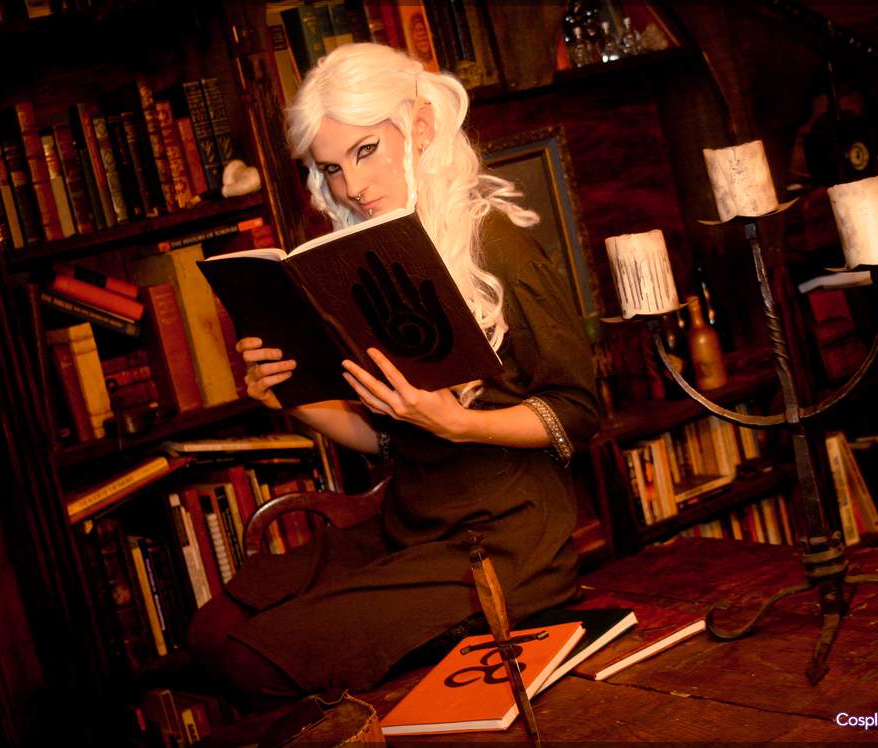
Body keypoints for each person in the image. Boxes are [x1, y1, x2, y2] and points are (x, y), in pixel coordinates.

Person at [188, 42, 600, 707]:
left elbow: (579, 411)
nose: (352, 188)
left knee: (249, 661)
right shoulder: (370, 254)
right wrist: (293, 398)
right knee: (212, 631)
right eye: (332, 168)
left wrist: (461, 423)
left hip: (503, 541)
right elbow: (388, 438)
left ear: (422, 127)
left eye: (365, 151)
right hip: (409, 525)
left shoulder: (498, 244)